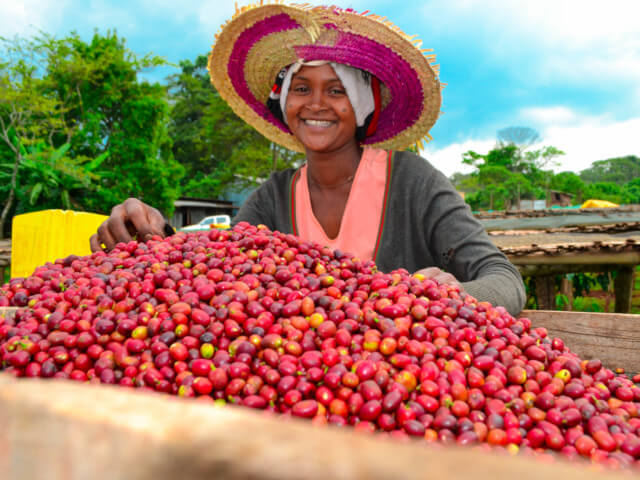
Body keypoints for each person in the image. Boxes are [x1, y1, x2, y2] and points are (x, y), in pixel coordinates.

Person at [90, 4, 526, 315]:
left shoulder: (414, 183)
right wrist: (153, 232)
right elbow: (215, 276)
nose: (316, 104)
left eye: (336, 91)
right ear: (285, 102)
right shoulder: (269, 201)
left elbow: (503, 278)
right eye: (301, 89)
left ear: (362, 106)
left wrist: (461, 294)